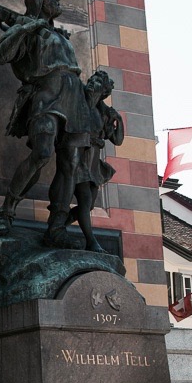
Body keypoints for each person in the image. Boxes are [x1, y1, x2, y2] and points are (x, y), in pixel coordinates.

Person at [0, 0, 89, 243]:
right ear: (39, 0)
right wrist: (25, 28)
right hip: (47, 96)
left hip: (75, 100)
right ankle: (6, 211)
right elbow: (2, 56)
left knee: (71, 164)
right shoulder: (30, 28)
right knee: (42, 153)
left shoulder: (58, 34)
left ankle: (56, 228)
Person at [67, 70, 125, 252]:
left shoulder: (103, 111)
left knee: (90, 204)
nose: (92, 83)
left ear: (104, 90)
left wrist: (119, 120)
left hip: (94, 162)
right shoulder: (79, 102)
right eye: (92, 79)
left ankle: (59, 223)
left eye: (98, 82)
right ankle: (91, 241)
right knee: (85, 199)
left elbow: (117, 140)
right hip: (80, 157)